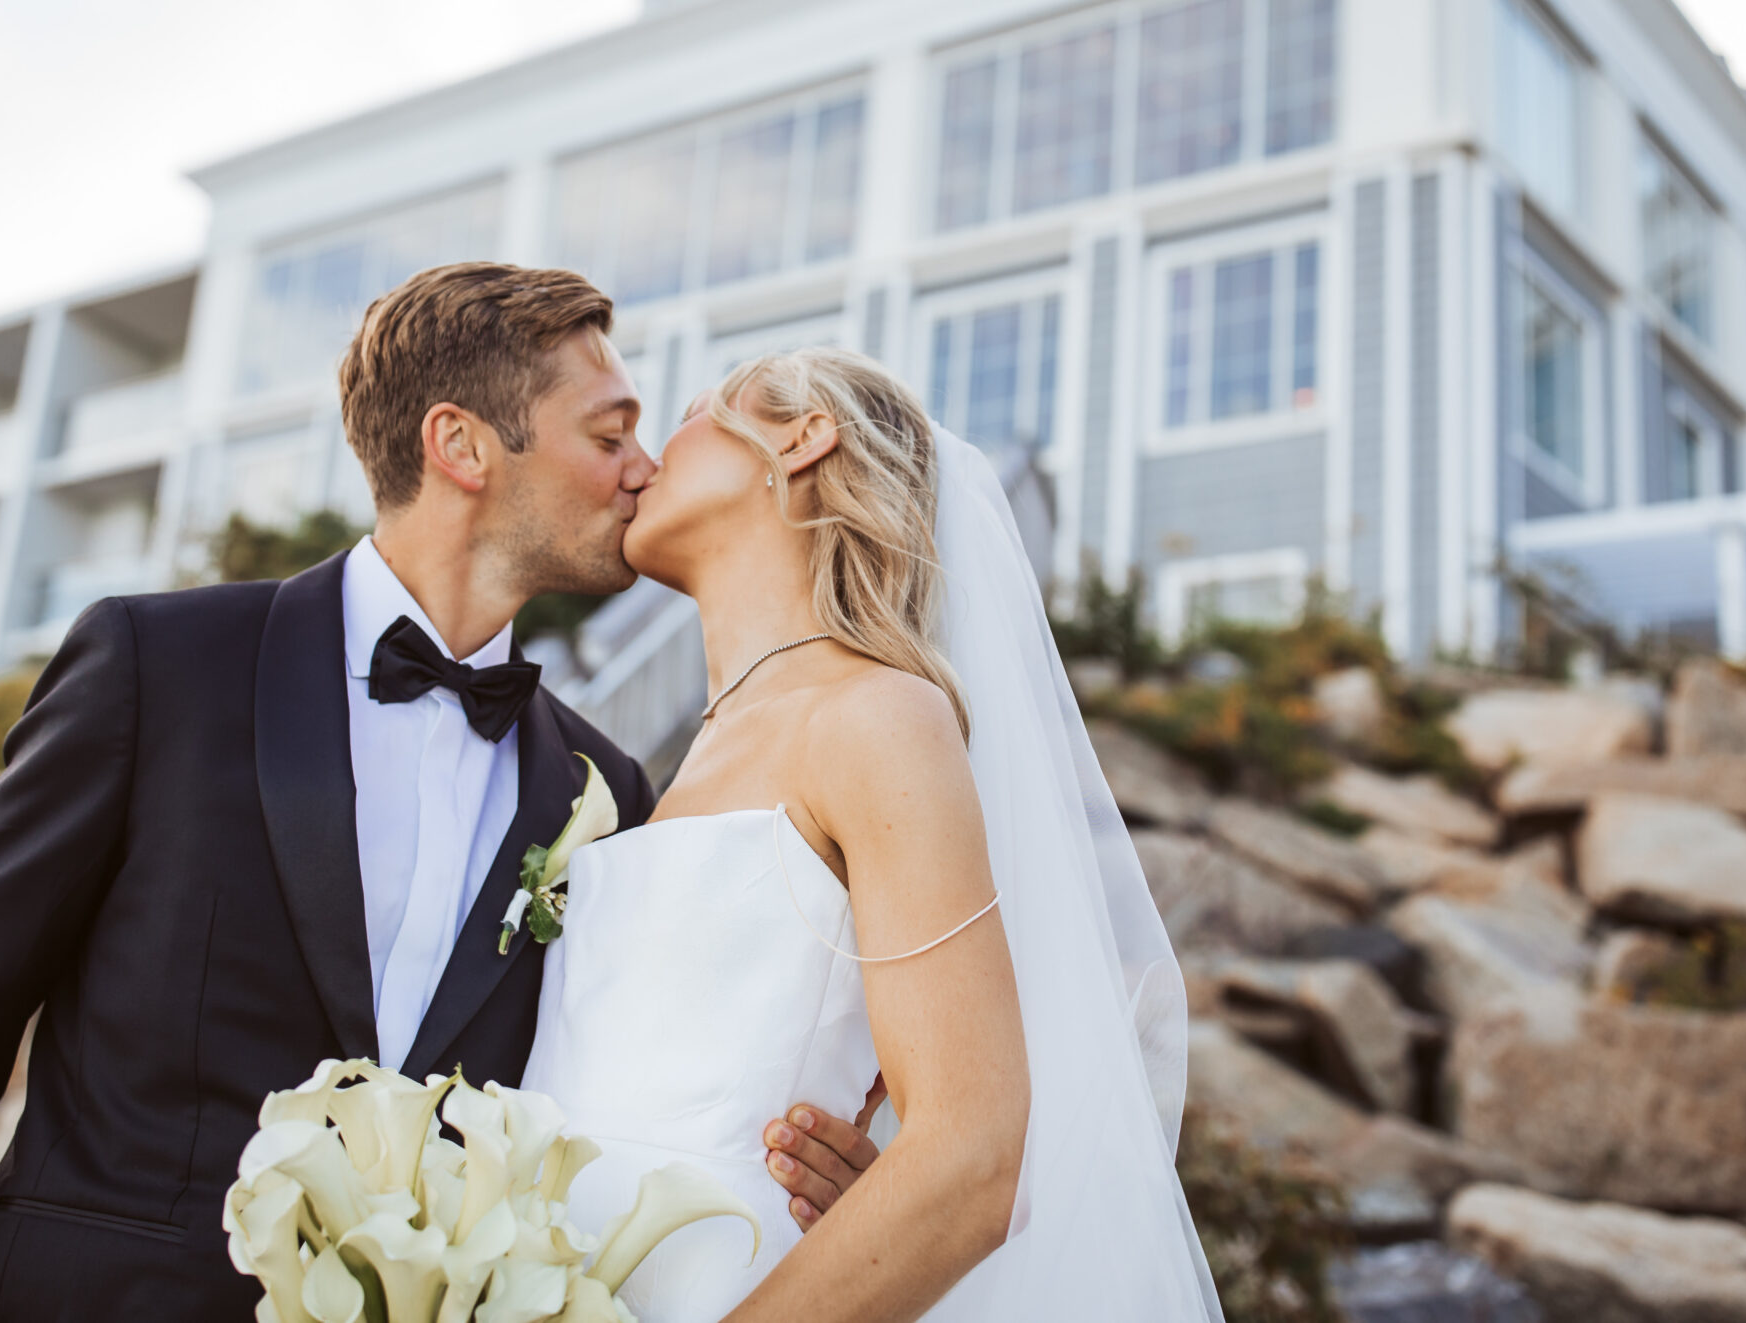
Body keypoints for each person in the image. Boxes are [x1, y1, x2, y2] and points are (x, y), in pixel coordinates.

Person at [0, 264, 879, 1322]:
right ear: (459, 445)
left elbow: (638, 1091)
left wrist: (824, 1170)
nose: (643, 469)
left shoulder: (604, 789)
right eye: (608, 436)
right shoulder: (157, 667)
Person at [522, 347, 1223, 1321]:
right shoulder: (675, 769)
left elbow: (975, 1155)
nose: (639, 458)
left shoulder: (875, 715)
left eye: (683, 418)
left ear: (801, 437)